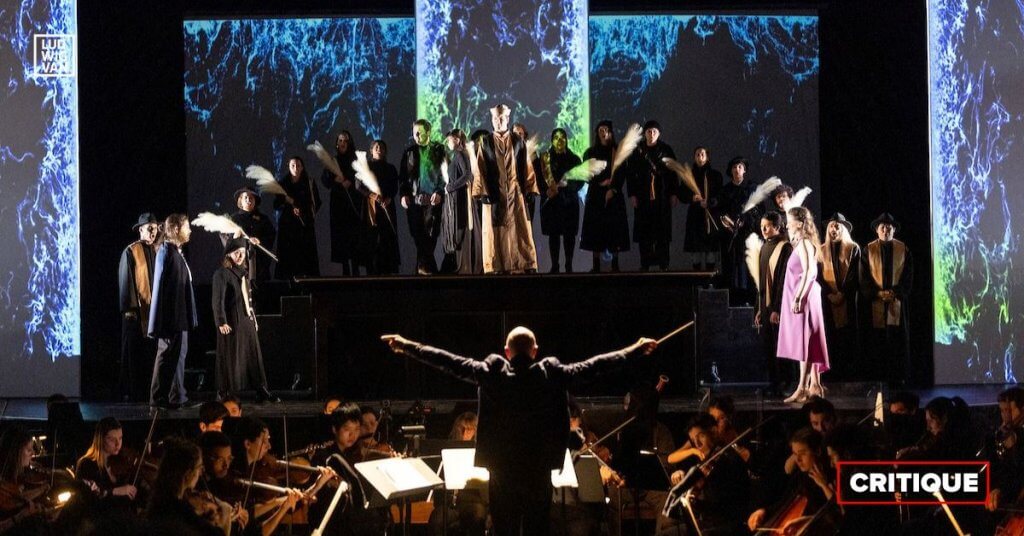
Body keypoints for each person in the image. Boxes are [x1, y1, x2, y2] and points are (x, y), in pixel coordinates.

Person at [382, 327, 658, 536]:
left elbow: (448, 361)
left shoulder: (491, 372)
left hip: (502, 472)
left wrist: (407, 346)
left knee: (505, 530)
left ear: (507, 351)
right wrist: (635, 349)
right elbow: (596, 365)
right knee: (538, 529)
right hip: (538, 470)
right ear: (535, 351)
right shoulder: (551, 373)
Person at [471, 104, 541, 274]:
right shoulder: (486, 142)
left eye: (502, 118)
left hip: (515, 193)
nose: (498, 121)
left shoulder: (518, 141)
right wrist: (481, 191)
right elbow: (480, 168)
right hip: (494, 193)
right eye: (495, 119)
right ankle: (497, 265)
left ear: (507, 119)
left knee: (519, 228)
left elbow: (526, 166)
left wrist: (531, 188)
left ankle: (524, 263)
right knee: (496, 229)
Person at [212, 238, 279, 403]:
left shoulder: (243, 273)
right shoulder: (222, 273)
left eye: (242, 252)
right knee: (230, 356)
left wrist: (253, 318)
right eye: (236, 253)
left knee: (253, 355)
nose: (240, 256)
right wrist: (221, 321)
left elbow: (248, 299)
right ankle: (224, 391)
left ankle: (261, 389)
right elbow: (217, 300)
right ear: (228, 254)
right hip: (232, 322)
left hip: (246, 320)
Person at [310, 403, 391, 535]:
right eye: (347, 429)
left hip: (352, 521)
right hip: (332, 521)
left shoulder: (355, 454)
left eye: (357, 429)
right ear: (335, 429)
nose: (352, 435)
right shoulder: (324, 457)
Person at [778, 207, 830, 403]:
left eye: (789, 221)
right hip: (804, 295)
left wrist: (799, 297)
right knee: (809, 340)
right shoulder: (800, 244)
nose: (787, 224)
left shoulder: (806, 244)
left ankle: (802, 387)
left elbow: (810, 272)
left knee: (804, 342)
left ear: (799, 224)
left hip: (806, 296)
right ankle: (813, 385)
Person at [746, 428, 837, 535]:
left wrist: (824, 485)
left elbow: (836, 516)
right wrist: (764, 511)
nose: (797, 459)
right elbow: (785, 501)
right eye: (794, 454)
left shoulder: (832, 474)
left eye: (802, 453)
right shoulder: (801, 476)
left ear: (817, 451)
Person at [148, 213, 198, 409]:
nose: (190, 231)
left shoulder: (175, 252)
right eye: (187, 227)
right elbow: (160, 288)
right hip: (171, 319)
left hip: (179, 317)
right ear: (176, 229)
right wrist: (161, 322)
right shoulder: (166, 252)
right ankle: (158, 398)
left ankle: (174, 396)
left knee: (176, 357)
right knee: (166, 355)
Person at [860, 212, 913, 386]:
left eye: (889, 227)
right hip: (875, 302)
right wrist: (877, 293)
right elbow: (864, 276)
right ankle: (877, 378)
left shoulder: (903, 249)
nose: (885, 230)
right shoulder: (868, 249)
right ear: (876, 230)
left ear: (894, 230)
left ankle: (898, 379)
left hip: (896, 302)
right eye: (882, 227)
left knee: (896, 341)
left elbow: (908, 276)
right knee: (877, 341)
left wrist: (895, 292)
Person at [145, 437, 228, 536]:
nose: (200, 473)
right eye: (199, 467)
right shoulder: (179, 508)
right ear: (188, 473)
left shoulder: (159, 500)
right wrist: (224, 514)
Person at [118, 212, 161, 402]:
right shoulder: (131, 251)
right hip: (136, 313)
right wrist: (130, 309)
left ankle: (152, 390)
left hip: (155, 312)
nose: (152, 232)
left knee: (153, 353)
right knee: (134, 354)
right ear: (141, 230)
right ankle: (135, 392)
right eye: (148, 228)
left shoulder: (160, 250)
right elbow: (126, 281)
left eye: (154, 228)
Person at [626, 121, 678, 271]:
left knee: (662, 232)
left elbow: (673, 171)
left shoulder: (666, 150)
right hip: (643, 197)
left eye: (654, 131)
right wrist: (632, 194)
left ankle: (664, 264)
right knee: (644, 232)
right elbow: (630, 174)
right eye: (649, 131)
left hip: (662, 196)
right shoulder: (638, 150)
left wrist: (673, 193)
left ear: (659, 133)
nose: (651, 134)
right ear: (645, 133)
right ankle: (645, 264)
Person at [580, 120, 630, 272]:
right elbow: (586, 172)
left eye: (606, 129)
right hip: (596, 195)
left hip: (613, 195)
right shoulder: (590, 152)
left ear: (610, 132)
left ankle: (615, 264)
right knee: (595, 229)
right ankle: (596, 265)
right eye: (601, 129)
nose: (603, 132)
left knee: (614, 230)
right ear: (597, 133)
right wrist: (599, 182)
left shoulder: (617, 151)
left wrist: (613, 188)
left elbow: (621, 172)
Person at [399, 119, 447, 275]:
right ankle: (426, 272)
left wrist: (439, 192)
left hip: (433, 203)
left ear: (428, 132)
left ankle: (422, 272)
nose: (416, 135)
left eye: (420, 132)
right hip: (414, 203)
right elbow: (403, 177)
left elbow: (444, 175)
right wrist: (404, 195)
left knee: (430, 237)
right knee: (418, 237)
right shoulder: (409, 152)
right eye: (414, 133)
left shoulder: (439, 150)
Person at [818, 213, 861, 381]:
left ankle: (848, 373)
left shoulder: (853, 248)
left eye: (837, 226)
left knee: (847, 337)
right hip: (828, 302)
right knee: (831, 336)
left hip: (848, 300)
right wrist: (829, 294)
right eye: (831, 226)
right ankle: (832, 374)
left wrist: (842, 293)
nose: (833, 229)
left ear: (843, 228)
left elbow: (854, 274)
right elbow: (818, 277)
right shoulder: (821, 250)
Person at [755, 211, 793, 396]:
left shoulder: (785, 248)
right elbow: (761, 281)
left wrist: (776, 309)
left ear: (777, 227)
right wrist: (759, 308)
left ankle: (784, 385)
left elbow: (783, 281)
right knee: (768, 347)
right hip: (765, 305)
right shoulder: (764, 247)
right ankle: (773, 384)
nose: (763, 229)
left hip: (779, 306)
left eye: (767, 226)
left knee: (781, 347)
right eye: (762, 225)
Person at [538, 128, 583, 273]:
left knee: (569, 236)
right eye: (556, 137)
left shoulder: (575, 159)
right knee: (554, 235)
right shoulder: (545, 158)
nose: (559, 140)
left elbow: (580, 180)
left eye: (562, 137)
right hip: (552, 203)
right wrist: (546, 191)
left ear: (566, 140)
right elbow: (539, 179)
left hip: (569, 203)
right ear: (552, 140)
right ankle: (554, 265)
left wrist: (567, 186)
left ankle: (569, 265)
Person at [321, 131, 365, 276]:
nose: (342, 143)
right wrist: (335, 180)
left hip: (354, 203)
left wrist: (350, 183)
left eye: (345, 140)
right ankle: (345, 270)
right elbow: (325, 180)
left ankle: (356, 269)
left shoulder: (356, 160)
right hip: (339, 205)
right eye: (340, 140)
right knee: (341, 237)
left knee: (355, 236)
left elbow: (363, 178)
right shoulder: (332, 161)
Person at [716, 156, 759, 304]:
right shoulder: (725, 190)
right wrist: (727, 222)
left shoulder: (751, 188)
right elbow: (719, 211)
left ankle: (749, 300)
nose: (737, 170)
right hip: (730, 236)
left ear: (744, 170)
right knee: (730, 267)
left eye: (740, 167)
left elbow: (758, 210)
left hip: (747, 234)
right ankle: (733, 300)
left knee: (746, 266)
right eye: (734, 167)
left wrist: (745, 221)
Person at [441, 129, 482, 274]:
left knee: (462, 231)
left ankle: (464, 268)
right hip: (457, 199)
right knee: (460, 232)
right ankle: (463, 267)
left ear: (457, 139)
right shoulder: (458, 155)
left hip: (461, 201)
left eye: (450, 139)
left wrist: (450, 187)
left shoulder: (460, 154)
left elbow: (467, 175)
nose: (448, 142)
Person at [274, 155, 321, 280]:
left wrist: (303, 212)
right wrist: (287, 202)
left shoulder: (309, 183)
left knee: (305, 257)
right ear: (289, 167)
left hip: (304, 227)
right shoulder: (282, 184)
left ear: (302, 167)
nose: (295, 168)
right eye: (293, 165)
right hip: (287, 229)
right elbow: (276, 205)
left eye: (298, 165)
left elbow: (316, 203)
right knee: (288, 258)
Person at [363, 140, 401, 275]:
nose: (379, 149)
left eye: (381, 147)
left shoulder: (391, 168)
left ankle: (388, 273)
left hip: (387, 207)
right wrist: (374, 196)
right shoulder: (366, 166)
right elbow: (358, 185)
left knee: (388, 239)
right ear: (371, 150)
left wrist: (389, 198)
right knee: (374, 240)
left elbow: (394, 187)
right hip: (372, 209)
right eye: (376, 147)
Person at [683, 146, 723, 271]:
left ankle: (709, 284)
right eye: (697, 154)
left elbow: (720, 195)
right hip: (695, 218)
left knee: (710, 252)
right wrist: (692, 197)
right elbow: (682, 193)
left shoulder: (715, 175)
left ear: (707, 157)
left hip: (710, 217)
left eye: (702, 154)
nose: (700, 157)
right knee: (696, 253)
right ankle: (697, 285)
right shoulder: (689, 175)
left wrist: (710, 202)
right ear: (694, 158)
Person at [228, 186, 276, 282]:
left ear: (255, 201)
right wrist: (240, 239)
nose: (248, 200)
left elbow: (271, 235)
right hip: (241, 264)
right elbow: (228, 241)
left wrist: (260, 240)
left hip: (260, 264)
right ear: (240, 200)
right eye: (245, 197)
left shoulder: (263, 219)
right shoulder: (234, 219)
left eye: (251, 198)